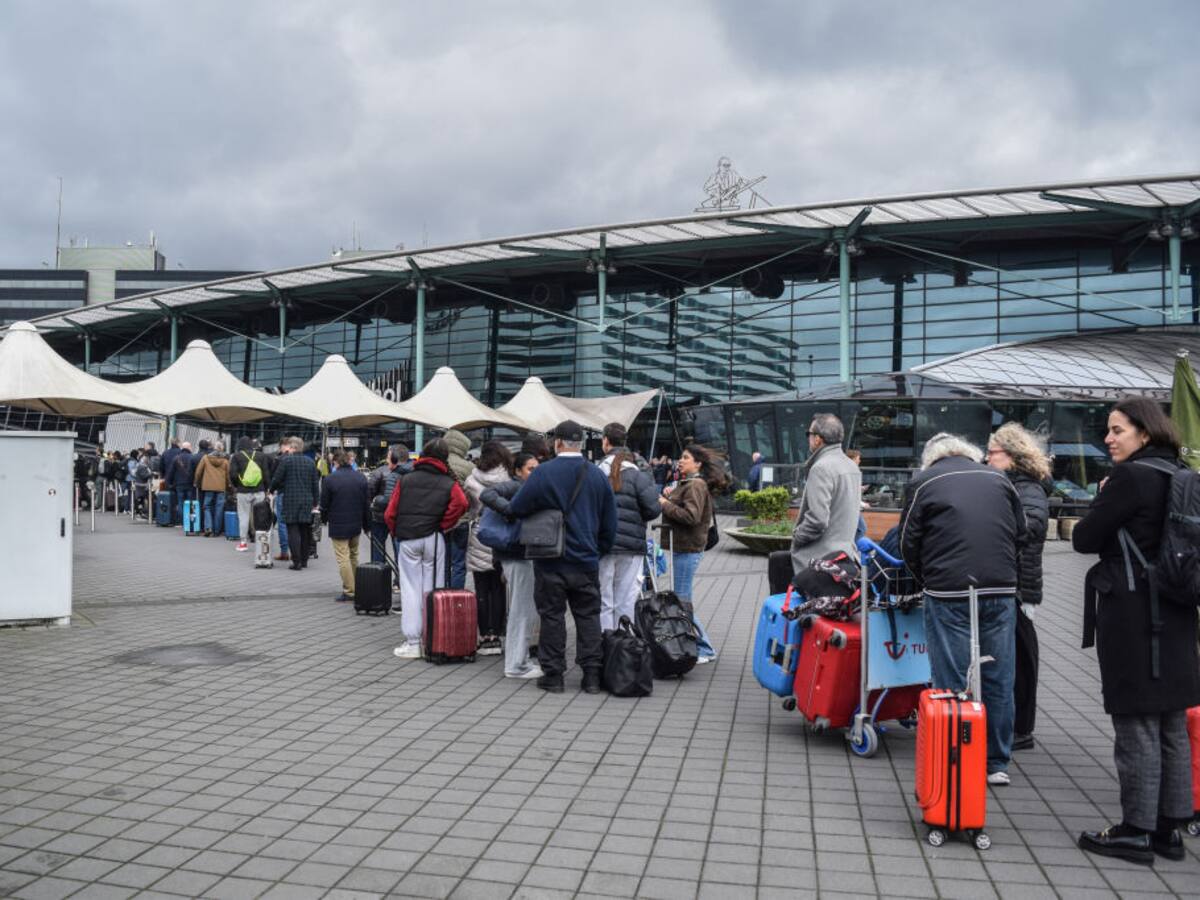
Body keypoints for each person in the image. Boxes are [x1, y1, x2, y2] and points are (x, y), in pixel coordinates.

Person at [1071, 398, 1200, 865]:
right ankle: (1170, 828)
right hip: (1178, 612)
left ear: (1144, 433)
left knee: (1135, 724)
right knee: (1170, 721)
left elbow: (1083, 538)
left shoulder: (1131, 478)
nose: (1108, 438)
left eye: (1117, 429)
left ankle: (1135, 830)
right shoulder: (1180, 475)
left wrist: (1103, 497)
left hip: (1132, 614)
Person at [900, 432, 1026, 787]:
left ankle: (955, 753)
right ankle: (997, 762)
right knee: (999, 675)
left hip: (948, 588)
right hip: (1000, 588)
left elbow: (909, 540)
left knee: (951, 676)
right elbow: (1022, 532)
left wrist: (925, 577)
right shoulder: (999, 479)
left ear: (931, 458)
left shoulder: (924, 482)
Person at [507, 420, 617, 693]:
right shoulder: (596, 474)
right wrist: (598, 549)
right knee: (588, 616)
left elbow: (517, 507)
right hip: (586, 559)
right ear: (581, 444)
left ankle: (553, 675)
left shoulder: (543, 473)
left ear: (557, 443)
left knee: (552, 616)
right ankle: (591, 676)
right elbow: (610, 523)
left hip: (550, 557)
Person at [985, 423, 1051, 752]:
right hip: (1015, 580)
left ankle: (1022, 729)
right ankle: (1017, 725)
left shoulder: (1027, 487)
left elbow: (1034, 524)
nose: (987, 458)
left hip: (1020, 585)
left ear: (1011, 455)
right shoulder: (1014, 484)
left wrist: (998, 528)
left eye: (993, 453)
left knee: (1021, 658)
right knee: (1016, 655)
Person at [385, 438, 470, 659]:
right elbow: (461, 504)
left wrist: (397, 532)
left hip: (408, 539)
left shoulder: (406, 480)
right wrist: (443, 524)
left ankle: (413, 642)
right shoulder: (448, 482)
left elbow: (389, 513)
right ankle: (433, 637)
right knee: (433, 588)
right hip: (434, 538)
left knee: (410, 588)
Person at [658, 443, 728, 663]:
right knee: (681, 600)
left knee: (682, 601)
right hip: (685, 547)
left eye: (686, 458)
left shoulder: (695, 484)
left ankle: (704, 648)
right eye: (681, 457)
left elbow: (691, 516)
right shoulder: (689, 483)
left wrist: (663, 503)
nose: (681, 460)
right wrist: (670, 496)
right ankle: (699, 646)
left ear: (697, 463)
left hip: (688, 548)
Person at [481, 452, 543, 679]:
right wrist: (511, 510)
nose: (535, 473)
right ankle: (516, 664)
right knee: (522, 610)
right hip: (517, 555)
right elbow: (487, 494)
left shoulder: (522, 487)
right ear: (518, 471)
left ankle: (519, 660)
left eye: (538, 468)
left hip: (515, 554)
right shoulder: (515, 487)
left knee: (523, 608)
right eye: (530, 469)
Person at [597, 423, 659, 631]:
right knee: (625, 599)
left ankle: (604, 646)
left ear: (606, 441)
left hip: (603, 546)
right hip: (632, 546)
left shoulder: (597, 472)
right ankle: (623, 647)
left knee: (603, 600)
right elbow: (654, 509)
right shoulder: (637, 472)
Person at [790, 414, 862, 576]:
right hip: (845, 558)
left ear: (817, 439)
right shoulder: (851, 466)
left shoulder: (821, 468)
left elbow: (817, 520)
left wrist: (797, 537)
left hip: (819, 561)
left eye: (809, 434)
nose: (808, 438)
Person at [465, 442, 514, 655]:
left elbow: (469, 508)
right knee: (499, 587)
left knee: (481, 589)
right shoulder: (509, 479)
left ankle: (485, 636)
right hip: (502, 535)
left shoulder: (471, 480)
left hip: (479, 534)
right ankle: (498, 635)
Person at [320, 449, 371, 602]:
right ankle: (357, 586)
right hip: (356, 524)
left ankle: (350, 590)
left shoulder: (329, 479)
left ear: (335, 462)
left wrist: (324, 520)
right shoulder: (361, 478)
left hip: (338, 525)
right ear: (349, 461)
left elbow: (324, 504)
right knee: (354, 555)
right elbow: (366, 504)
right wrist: (367, 526)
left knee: (343, 558)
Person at [269, 437, 321, 570]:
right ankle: (304, 561)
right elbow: (315, 484)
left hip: (291, 500)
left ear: (293, 448)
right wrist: (316, 502)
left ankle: (296, 561)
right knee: (305, 531)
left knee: (293, 530)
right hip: (307, 501)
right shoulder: (310, 462)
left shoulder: (286, 461)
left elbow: (277, 478)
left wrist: (271, 490)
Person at [367, 444, 411, 577]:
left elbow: (369, 492)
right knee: (399, 550)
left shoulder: (379, 472)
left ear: (394, 457)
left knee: (378, 549)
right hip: (400, 519)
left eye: (388, 456)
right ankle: (399, 580)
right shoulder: (412, 471)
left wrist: (374, 503)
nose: (386, 459)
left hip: (380, 517)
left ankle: (378, 580)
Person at [443, 429, 476, 589]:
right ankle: (456, 599)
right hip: (461, 521)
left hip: (441, 521)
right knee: (458, 563)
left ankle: (441, 597)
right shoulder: (468, 466)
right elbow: (472, 494)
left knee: (442, 562)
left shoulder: (440, 462)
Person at [230, 436, 270, 552]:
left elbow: (232, 475)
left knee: (243, 516)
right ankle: (261, 540)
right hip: (259, 490)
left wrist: (238, 486)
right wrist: (267, 488)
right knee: (260, 516)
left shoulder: (236, 457)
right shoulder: (261, 456)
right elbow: (266, 474)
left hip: (243, 491)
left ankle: (243, 543)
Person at [193, 441, 230, 537]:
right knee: (219, 508)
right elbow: (228, 476)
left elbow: (198, 472)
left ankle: (208, 527)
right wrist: (228, 486)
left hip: (208, 487)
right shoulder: (225, 461)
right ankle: (217, 531)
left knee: (207, 507)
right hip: (221, 488)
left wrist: (197, 483)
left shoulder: (206, 458)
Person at [170, 442, 197, 525]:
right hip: (190, 483)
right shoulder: (192, 457)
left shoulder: (176, 458)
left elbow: (171, 472)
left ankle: (182, 521)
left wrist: (170, 483)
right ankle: (190, 521)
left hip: (179, 484)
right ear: (189, 448)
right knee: (190, 502)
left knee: (180, 502)